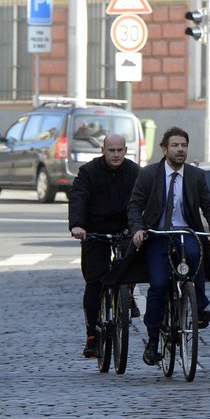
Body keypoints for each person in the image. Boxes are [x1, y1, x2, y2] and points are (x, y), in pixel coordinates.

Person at [127, 126, 210, 366]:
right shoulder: (149, 174)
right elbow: (134, 206)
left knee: (196, 255)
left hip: (186, 232)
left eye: (184, 145)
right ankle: (152, 340)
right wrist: (138, 229)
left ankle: (198, 305)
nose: (180, 149)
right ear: (164, 149)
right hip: (158, 235)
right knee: (159, 285)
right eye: (175, 145)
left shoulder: (196, 176)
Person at [69, 133, 141, 358]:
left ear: (125, 150)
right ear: (103, 150)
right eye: (112, 150)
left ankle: (127, 291)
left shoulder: (135, 172)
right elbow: (78, 197)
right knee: (94, 282)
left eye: (120, 150)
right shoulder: (88, 172)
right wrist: (78, 225)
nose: (116, 154)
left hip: (124, 228)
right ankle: (92, 335)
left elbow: (144, 200)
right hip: (95, 231)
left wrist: (143, 226)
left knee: (135, 254)